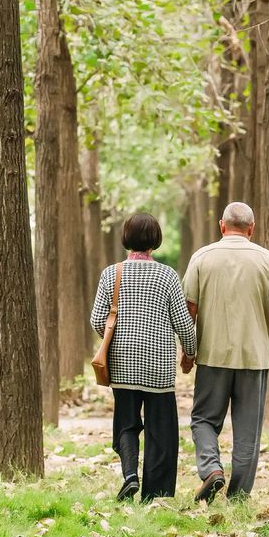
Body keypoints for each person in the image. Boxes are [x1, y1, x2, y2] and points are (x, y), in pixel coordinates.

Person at [181, 201, 269, 502]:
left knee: (204, 420)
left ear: (221, 225)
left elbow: (189, 307)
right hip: (254, 359)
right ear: (251, 228)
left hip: (212, 356)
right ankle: (239, 496)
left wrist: (188, 352)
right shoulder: (267, 260)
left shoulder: (202, 258)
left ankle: (211, 469)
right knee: (248, 431)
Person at [90, 212, 196, 503]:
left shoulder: (111, 274)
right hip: (158, 365)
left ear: (127, 238)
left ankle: (129, 475)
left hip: (122, 362)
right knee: (161, 430)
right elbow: (183, 323)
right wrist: (191, 351)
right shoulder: (167, 276)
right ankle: (156, 494)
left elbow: (98, 318)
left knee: (126, 422)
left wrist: (117, 338)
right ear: (155, 241)